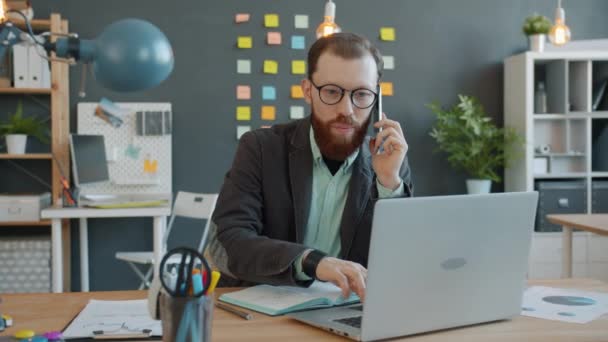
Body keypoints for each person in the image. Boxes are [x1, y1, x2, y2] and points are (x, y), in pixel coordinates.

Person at [206, 32, 413, 300]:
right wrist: (312, 262)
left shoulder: (390, 160)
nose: (347, 109)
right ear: (307, 91)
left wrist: (388, 184)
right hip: (262, 311)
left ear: (376, 97)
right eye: (331, 92)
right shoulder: (260, 148)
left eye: (361, 94)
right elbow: (228, 243)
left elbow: (400, 263)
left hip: (344, 312)